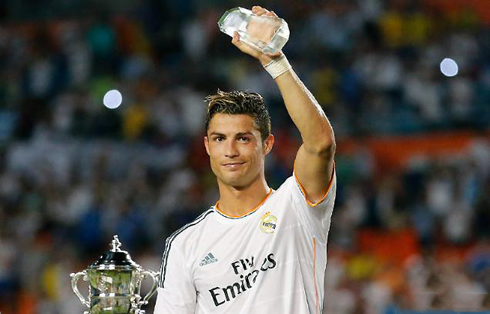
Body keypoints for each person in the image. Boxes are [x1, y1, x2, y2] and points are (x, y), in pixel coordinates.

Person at [154, 6, 336, 314]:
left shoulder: (297, 206)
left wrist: (275, 62)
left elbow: (320, 144)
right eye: (219, 139)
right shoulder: (186, 245)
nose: (231, 151)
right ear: (207, 147)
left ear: (267, 145)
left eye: (243, 138)